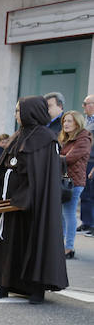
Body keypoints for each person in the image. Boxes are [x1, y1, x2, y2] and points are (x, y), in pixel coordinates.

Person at [0, 96, 68, 303]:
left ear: (30, 112)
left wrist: (22, 198)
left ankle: (35, 289)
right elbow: (2, 168)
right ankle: (3, 283)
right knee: (6, 244)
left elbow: (44, 178)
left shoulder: (47, 140)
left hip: (31, 206)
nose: (16, 115)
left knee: (32, 243)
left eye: (19, 111)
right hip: (8, 202)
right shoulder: (16, 137)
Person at [58, 110, 91, 259]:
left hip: (74, 183)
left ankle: (69, 248)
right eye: (64, 121)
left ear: (77, 123)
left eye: (69, 121)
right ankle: (60, 245)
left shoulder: (83, 139)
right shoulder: (67, 139)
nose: (65, 124)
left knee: (69, 214)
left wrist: (51, 157)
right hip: (64, 182)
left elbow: (70, 159)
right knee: (62, 214)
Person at [78, 94, 94, 235]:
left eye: (86, 103)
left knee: (90, 193)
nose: (83, 106)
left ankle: (91, 224)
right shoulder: (86, 121)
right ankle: (86, 222)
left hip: (92, 162)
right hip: (84, 161)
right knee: (84, 193)